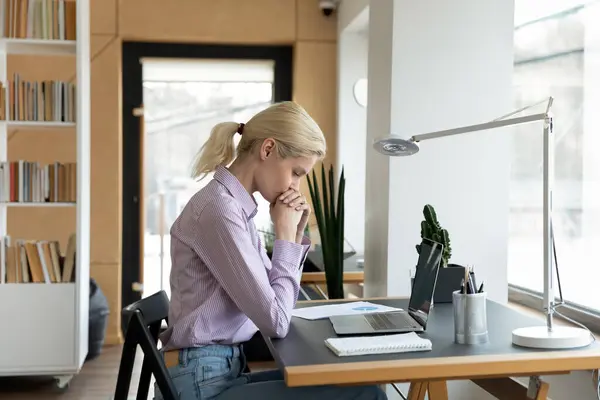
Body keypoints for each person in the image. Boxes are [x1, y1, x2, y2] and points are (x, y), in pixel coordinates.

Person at [154, 101, 387, 400]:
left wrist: (295, 233)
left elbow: (271, 296)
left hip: (215, 372)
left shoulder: (234, 207)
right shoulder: (220, 211)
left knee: (354, 386)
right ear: (267, 150)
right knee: (366, 396)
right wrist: (285, 237)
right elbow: (275, 320)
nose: (297, 188)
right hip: (202, 385)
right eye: (296, 172)